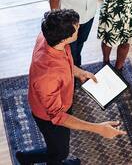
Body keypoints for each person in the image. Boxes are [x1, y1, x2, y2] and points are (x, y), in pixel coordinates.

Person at [16, 9, 126, 165]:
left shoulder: (49, 37)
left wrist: (79, 72)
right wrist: (99, 128)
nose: (79, 27)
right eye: (76, 27)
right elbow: (58, 117)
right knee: (60, 152)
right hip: (48, 116)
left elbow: (63, 61)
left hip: (60, 100)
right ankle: (26, 158)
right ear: (64, 38)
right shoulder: (48, 77)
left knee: (60, 146)